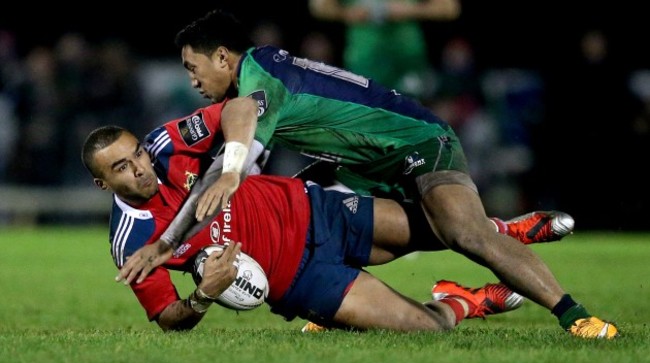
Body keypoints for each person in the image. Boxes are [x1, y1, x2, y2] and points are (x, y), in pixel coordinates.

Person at [137, 8, 618, 339]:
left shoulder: (257, 80)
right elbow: (238, 161)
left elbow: (238, 155)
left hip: (414, 140)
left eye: (193, 67)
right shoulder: (255, 78)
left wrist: (221, 185)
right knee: (310, 210)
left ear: (223, 56)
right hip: (361, 162)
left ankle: (574, 316)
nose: (192, 80)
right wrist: (169, 239)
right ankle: (497, 241)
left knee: (465, 235)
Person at [81, 116, 526, 333]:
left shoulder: (168, 144)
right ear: (103, 184)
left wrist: (235, 161)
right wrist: (202, 296)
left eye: (136, 152)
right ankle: (462, 301)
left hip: (314, 210)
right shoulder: (132, 240)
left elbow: (239, 106)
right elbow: (166, 319)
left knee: (453, 231)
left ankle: (506, 232)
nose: (140, 167)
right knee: (431, 331)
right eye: (122, 167)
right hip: (301, 282)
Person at [308, 0, 461, 100]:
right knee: (371, 128)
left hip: (408, 61)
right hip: (365, 62)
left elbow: (450, 7)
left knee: (413, 125)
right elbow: (319, 6)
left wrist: (410, 10)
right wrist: (347, 13)